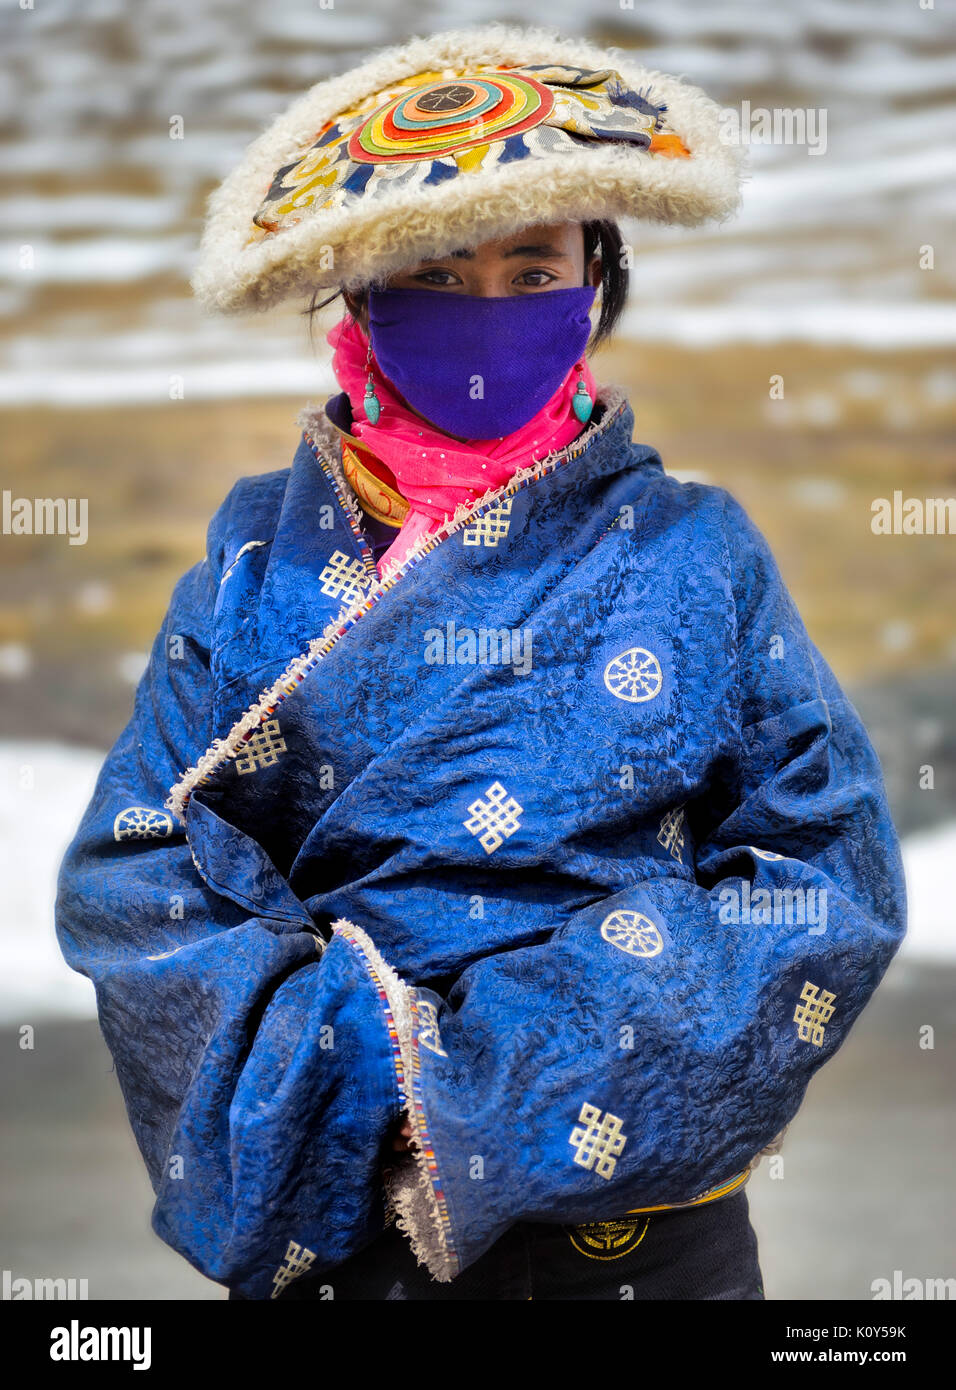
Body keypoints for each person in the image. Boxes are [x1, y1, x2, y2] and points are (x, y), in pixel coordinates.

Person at [55, 24, 906, 1302]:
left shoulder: (693, 552)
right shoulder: (250, 565)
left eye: (530, 265)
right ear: (358, 292)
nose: (488, 310)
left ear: (593, 278)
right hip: (352, 1223)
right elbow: (139, 875)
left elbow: (823, 869)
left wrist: (521, 1066)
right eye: (434, 273)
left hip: (637, 1239)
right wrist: (359, 1075)